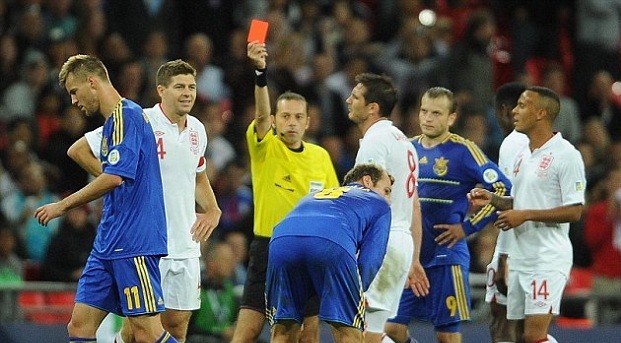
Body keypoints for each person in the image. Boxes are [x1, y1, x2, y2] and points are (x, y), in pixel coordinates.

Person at [67, 59, 222, 342]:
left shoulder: (197, 129)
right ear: (161, 90)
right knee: (138, 330)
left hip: (185, 243)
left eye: (191, 87)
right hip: (149, 239)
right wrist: (116, 175)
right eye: (179, 87)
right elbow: (78, 150)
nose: (187, 93)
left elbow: (198, 176)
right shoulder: (141, 119)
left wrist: (212, 209)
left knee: (176, 325)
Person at [33, 54, 177, 343]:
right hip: (108, 242)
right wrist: (110, 177)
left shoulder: (128, 115)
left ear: (91, 81)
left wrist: (63, 205)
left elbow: (113, 178)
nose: (73, 101)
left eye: (74, 92)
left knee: (146, 333)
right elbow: (98, 165)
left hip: (134, 241)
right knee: (79, 326)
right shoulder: (113, 124)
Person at [383, 87, 511, 343]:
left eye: (437, 113)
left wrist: (468, 227)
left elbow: (502, 188)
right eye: (424, 111)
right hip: (411, 256)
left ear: (451, 118)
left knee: (446, 333)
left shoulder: (464, 151)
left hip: (446, 256)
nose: (428, 118)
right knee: (391, 329)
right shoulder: (405, 149)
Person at [233, 42, 339, 343]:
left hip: (309, 253)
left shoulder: (320, 156)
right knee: (250, 329)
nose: (291, 122)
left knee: (309, 332)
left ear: (308, 121)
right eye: (285, 117)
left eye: (297, 117)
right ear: (275, 121)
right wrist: (260, 73)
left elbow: (333, 205)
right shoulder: (265, 147)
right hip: (269, 248)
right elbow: (261, 113)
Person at [468, 86, 586, 343]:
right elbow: (518, 202)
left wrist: (525, 215)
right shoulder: (521, 153)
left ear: (541, 113)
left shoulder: (567, 156)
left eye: (522, 106)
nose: (514, 111)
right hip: (517, 253)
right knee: (509, 330)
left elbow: (576, 210)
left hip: (545, 256)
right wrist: (492, 199)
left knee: (534, 335)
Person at [266, 163, 393, 343]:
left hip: (281, 242)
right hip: (330, 243)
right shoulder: (379, 203)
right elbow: (372, 258)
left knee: (284, 328)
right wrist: (357, 293)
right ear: (367, 181)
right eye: (387, 190)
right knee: (347, 331)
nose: (389, 199)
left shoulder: (312, 196)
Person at [346, 72, 428, 343]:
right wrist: (414, 257)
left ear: (372, 108)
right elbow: (414, 204)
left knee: (358, 335)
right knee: (373, 333)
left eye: (356, 97)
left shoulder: (375, 142)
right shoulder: (404, 143)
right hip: (400, 242)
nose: (349, 100)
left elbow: (368, 200)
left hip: (379, 243)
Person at [485, 82, 528, 343]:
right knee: (527, 327)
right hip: (536, 247)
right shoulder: (541, 143)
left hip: (514, 246)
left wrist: (504, 255)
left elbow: (514, 202)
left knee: (501, 318)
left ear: (503, 110)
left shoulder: (512, 142)